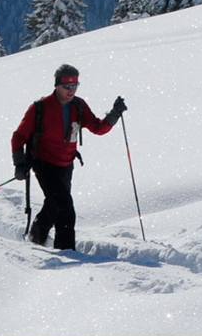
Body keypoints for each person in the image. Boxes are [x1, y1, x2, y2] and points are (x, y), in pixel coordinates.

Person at [11, 64, 126, 250]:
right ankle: (66, 253)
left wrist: (114, 114)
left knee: (54, 205)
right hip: (44, 163)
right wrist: (19, 163)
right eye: (67, 86)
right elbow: (19, 136)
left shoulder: (78, 106)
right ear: (56, 85)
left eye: (75, 86)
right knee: (65, 209)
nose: (71, 90)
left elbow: (97, 128)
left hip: (66, 164)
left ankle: (35, 238)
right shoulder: (39, 108)